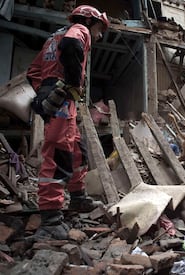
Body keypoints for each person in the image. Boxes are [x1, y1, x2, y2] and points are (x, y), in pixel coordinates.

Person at [26, 5, 110, 240]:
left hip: (55, 96)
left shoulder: (53, 37)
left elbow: (33, 71)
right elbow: (71, 45)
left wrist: (43, 93)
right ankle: (51, 217)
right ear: (90, 21)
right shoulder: (79, 30)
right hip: (62, 97)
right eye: (100, 29)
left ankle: (78, 197)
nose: (99, 35)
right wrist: (69, 84)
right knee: (59, 152)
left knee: (76, 149)